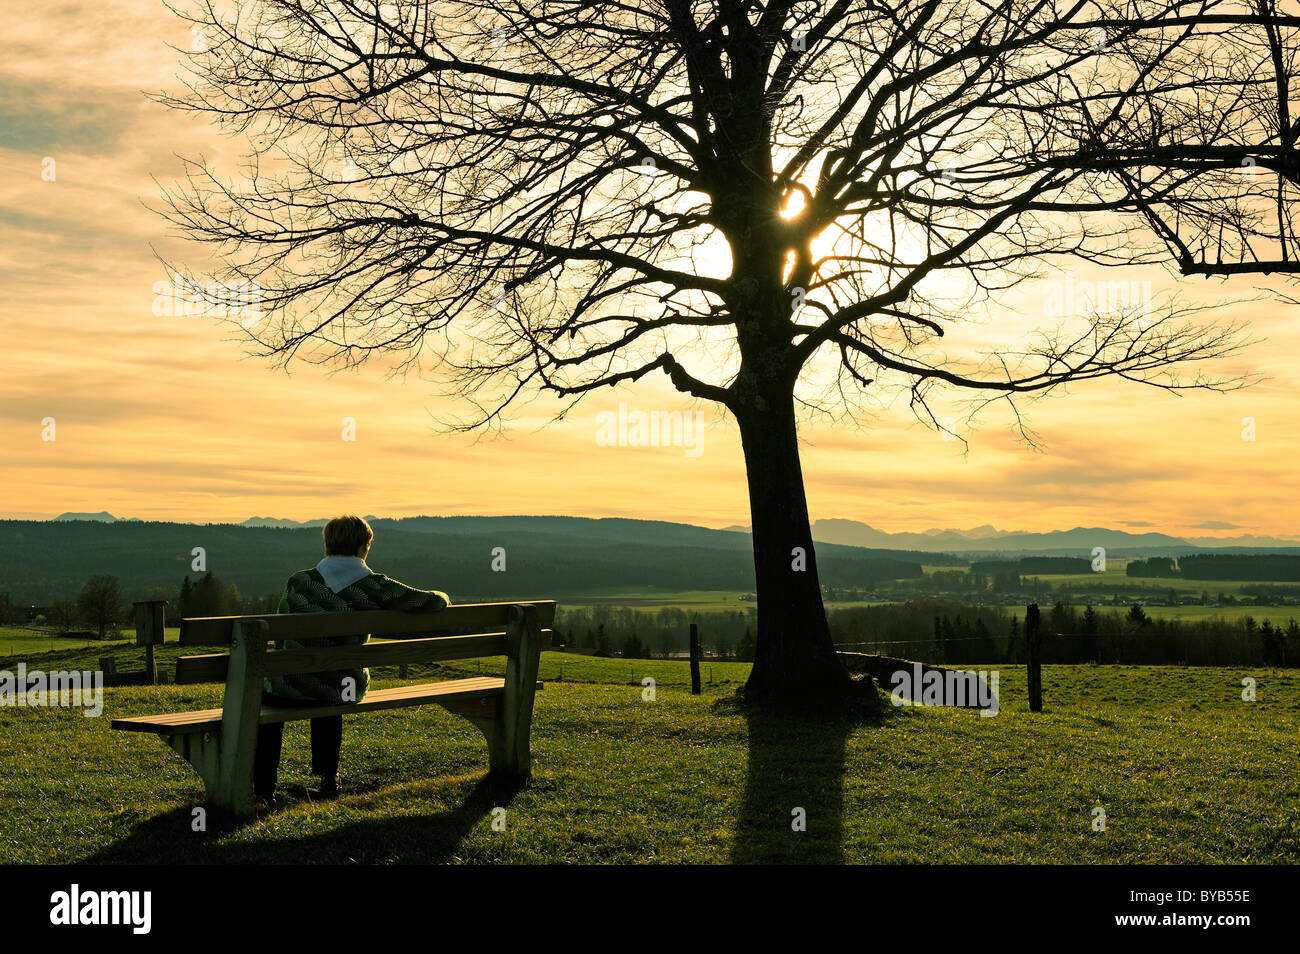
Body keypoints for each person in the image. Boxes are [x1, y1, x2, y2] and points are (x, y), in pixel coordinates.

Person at [253, 514, 449, 803]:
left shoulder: (300, 581)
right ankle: (328, 779)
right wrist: (443, 595)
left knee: (270, 704)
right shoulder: (375, 585)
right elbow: (429, 602)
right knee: (333, 683)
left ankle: (263, 789)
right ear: (363, 547)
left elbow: (281, 634)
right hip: (343, 688)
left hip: (287, 687)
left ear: (327, 544)